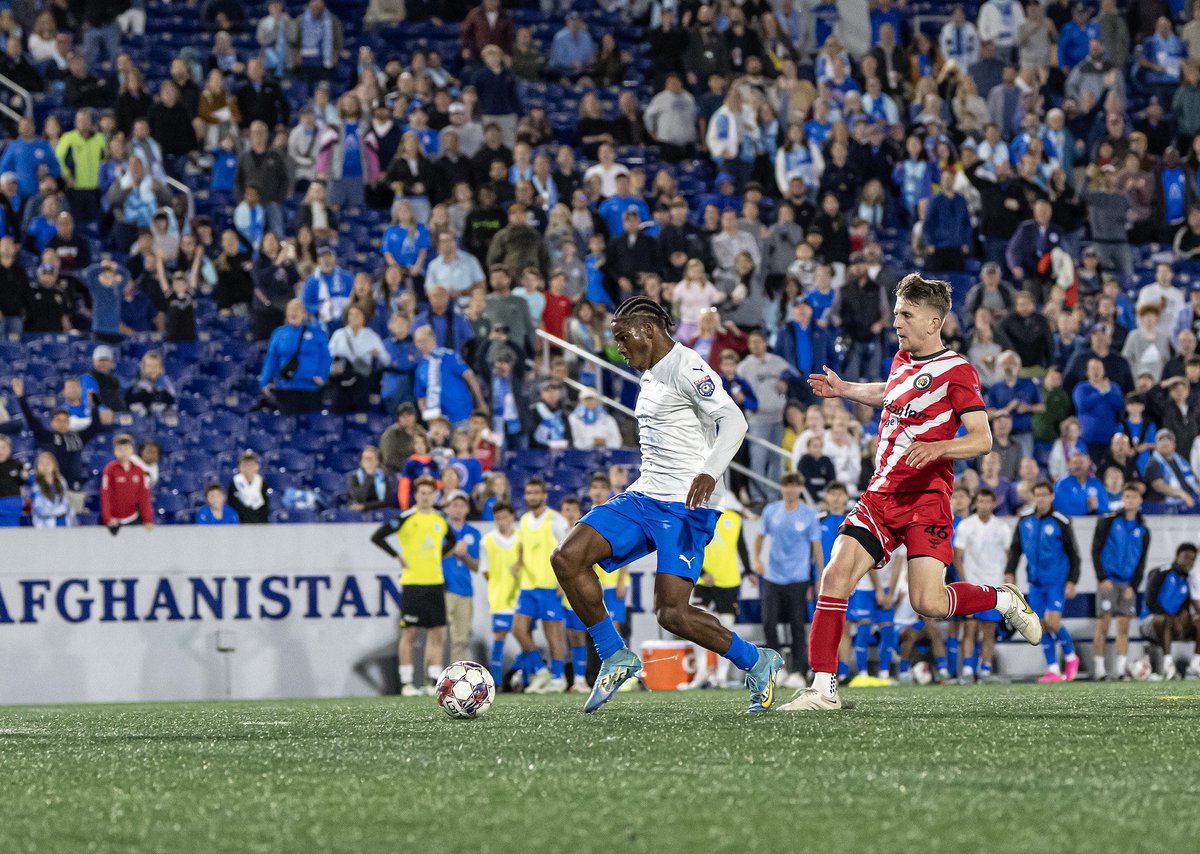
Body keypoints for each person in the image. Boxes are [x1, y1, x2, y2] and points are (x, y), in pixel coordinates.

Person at [781, 274, 1042, 712]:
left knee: (928, 602)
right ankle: (822, 688)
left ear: (933, 322)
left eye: (906, 314)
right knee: (834, 576)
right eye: (898, 312)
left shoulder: (958, 370)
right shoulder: (902, 358)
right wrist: (845, 389)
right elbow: (889, 394)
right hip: (880, 495)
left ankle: (1001, 598)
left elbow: (982, 439)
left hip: (926, 499)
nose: (897, 321)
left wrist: (939, 446)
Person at [550, 297, 780, 715]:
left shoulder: (687, 366)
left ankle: (757, 660)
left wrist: (709, 472)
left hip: (687, 506)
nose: (618, 347)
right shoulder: (650, 376)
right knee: (567, 558)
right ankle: (615, 656)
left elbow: (735, 422)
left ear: (650, 331)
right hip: (645, 495)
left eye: (623, 337)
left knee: (672, 614)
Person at [370, 476, 455, 696]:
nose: (426, 497)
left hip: (435, 582)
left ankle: (434, 680)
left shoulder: (440, 519)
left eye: (429, 493)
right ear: (416, 496)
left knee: (437, 633)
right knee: (409, 633)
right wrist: (396, 555)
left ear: (435, 495)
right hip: (413, 583)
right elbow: (378, 537)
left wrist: (439, 556)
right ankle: (407, 682)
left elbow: (452, 541)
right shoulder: (406, 517)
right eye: (422, 493)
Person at [1005, 481, 1082, 683]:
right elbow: (1015, 549)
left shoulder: (1061, 521)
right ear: (1033, 497)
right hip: (1035, 582)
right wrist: (1009, 571)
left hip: (1056, 581)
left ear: (1051, 497)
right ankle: (1054, 669)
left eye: (1044, 495)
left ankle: (1071, 657)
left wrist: (1072, 580)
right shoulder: (1024, 520)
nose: (1041, 498)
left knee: (1052, 621)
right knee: (1039, 625)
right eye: (1037, 495)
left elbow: (1074, 555)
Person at [753, 472, 823, 684]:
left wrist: (819, 577)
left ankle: (799, 672)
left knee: (796, 626)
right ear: (782, 488)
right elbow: (759, 537)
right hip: (773, 576)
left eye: (795, 486)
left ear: (800, 489)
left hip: (798, 578)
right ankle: (777, 668)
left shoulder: (809, 514)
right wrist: (756, 559)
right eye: (787, 486)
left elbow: (816, 548)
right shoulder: (771, 511)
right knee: (768, 623)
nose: (790, 490)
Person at [12, 377, 111, 506]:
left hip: (73, 490)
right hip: (50, 490)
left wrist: (94, 403)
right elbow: (32, 420)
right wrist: (21, 397)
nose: (62, 423)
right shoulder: (46, 436)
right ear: (52, 422)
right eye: (58, 420)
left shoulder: (77, 437)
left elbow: (95, 425)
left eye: (65, 420)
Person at [511, 477, 570, 693]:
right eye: (529, 493)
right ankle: (541, 670)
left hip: (549, 585)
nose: (532, 497)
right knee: (517, 629)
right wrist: (518, 563)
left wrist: (563, 581)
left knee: (552, 634)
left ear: (544, 495)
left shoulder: (556, 520)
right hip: (528, 586)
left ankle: (557, 678)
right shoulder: (524, 520)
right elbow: (523, 547)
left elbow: (568, 551)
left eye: (536, 493)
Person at [684, 498, 747, 691]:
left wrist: (750, 571)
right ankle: (702, 671)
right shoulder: (699, 517)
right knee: (693, 624)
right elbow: (690, 548)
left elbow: (741, 547)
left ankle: (721, 676)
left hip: (728, 582)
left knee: (726, 627)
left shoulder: (735, 519)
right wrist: (702, 573)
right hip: (704, 582)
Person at [1090, 484, 1150, 681]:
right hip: (1108, 581)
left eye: (1134, 497)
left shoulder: (1143, 529)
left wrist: (1134, 585)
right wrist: (1101, 578)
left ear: (1140, 500)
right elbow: (1096, 550)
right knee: (1103, 624)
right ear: (1122, 498)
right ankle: (1099, 670)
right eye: (1127, 496)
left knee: (1123, 627)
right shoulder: (1108, 520)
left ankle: (1120, 670)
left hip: (1127, 584)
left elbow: (1142, 561)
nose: (1130, 500)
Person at [952, 487, 1011, 683]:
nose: (984, 505)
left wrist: (1008, 582)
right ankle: (968, 669)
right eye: (981, 501)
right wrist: (964, 582)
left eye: (988, 501)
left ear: (993, 504)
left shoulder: (1002, 527)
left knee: (989, 629)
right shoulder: (966, 526)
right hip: (972, 585)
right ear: (975, 503)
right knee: (969, 627)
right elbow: (957, 557)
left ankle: (985, 669)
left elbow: (1008, 557)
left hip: (994, 585)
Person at [259, 299, 331, 415]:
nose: (293, 313)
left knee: (309, 426)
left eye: (297, 310)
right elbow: (271, 358)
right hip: (285, 388)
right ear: (286, 313)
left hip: (310, 388)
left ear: (304, 314)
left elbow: (325, 357)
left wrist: (322, 375)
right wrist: (264, 380)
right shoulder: (278, 333)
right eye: (291, 310)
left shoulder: (317, 334)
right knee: (287, 425)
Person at [1142, 543, 1199, 680]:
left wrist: (1183, 618)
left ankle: (1195, 665)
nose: (1189, 562)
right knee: (1165, 620)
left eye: (1192, 559)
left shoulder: (1187, 580)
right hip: (1150, 621)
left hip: (1173, 622)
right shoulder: (1161, 572)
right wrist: (1172, 618)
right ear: (1177, 556)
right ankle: (1168, 664)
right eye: (1185, 557)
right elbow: (1150, 602)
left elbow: (1183, 608)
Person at [481, 501, 520, 685]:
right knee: (499, 637)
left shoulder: (522, 539)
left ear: (512, 517)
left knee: (523, 636)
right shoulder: (486, 541)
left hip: (521, 597)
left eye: (505, 517)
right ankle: (495, 681)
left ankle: (527, 677)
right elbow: (485, 572)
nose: (502, 521)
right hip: (500, 598)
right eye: (498, 518)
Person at [441, 491, 481, 666]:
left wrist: (463, 556)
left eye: (461, 505)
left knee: (461, 639)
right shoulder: (439, 528)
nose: (457, 509)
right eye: (454, 505)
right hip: (442, 588)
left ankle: (454, 679)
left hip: (464, 589)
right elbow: (429, 558)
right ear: (448, 508)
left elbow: (476, 566)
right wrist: (452, 550)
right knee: (438, 635)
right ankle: (433, 677)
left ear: (467, 509)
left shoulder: (473, 533)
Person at [100, 433, 154, 533]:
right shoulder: (109, 470)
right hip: (114, 521)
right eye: (120, 449)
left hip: (132, 519)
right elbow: (105, 495)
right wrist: (108, 518)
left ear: (132, 450)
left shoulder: (139, 471)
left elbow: (144, 496)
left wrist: (148, 519)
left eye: (126, 448)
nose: (123, 452)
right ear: (115, 451)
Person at [1053, 451, 1109, 516]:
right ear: (1069, 465)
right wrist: (1087, 509)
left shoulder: (1096, 483)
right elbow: (1061, 509)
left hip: (1094, 523)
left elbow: (1105, 507)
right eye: (1075, 463)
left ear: (1088, 464)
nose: (1078, 466)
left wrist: (1097, 507)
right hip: (1069, 524)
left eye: (1081, 463)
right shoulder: (1061, 484)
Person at [29, 451, 74, 528]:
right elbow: (40, 509)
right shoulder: (35, 485)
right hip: (44, 525)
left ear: (54, 465)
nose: (45, 467)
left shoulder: (61, 482)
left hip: (63, 523)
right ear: (37, 467)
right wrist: (59, 510)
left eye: (47, 463)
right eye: (41, 464)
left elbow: (67, 503)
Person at [227, 450, 268, 524]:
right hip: (240, 523)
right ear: (240, 467)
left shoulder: (261, 482)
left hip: (258, 522)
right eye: (245, 465)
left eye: (251, 464)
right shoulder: (235, 482)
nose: (248, 468)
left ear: (256, 466)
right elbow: (231, 504)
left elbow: (264, 507)